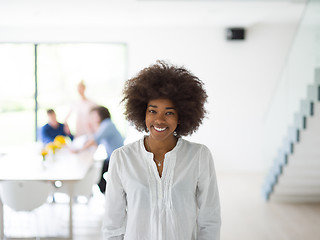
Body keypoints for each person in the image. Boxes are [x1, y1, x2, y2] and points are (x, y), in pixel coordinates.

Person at [102, 61, 221, 239]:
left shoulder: (199, 156)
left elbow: (209, 220)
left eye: (169, 113)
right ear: (142, 113)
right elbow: (112, 224)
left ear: (182, 117)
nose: (159, 120)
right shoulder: (122, 158)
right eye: (152, 111)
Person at [73, 106, 124, 193]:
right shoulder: (105, 125)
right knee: (98, 176)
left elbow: (94, 140)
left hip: (118, 158)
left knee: (98, 176)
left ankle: (110, 195)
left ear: (101, 115)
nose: (92, 119)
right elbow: (96, 143)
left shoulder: (107, 124)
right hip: (112, 157)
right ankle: (109, 194)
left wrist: (78, 150)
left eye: (94, 116)